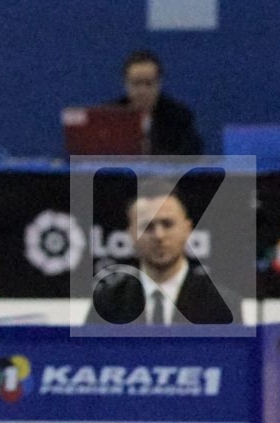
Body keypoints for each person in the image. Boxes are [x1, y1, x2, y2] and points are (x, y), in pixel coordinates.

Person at [85, 187, 238, 325]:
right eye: (148, 226)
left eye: (167, 224)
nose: (159, 236)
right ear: (131, 234)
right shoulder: (107, 302)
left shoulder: (221, 302)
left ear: (187, 229)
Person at [113, 49, 202, 156]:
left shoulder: (179, 117)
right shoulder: (111, 116)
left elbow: (191, 155)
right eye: (136, 84)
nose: (142, 91)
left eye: (149, 84)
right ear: (125, 84)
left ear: (159, 84)